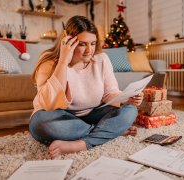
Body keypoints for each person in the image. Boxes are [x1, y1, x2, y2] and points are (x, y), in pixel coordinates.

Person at [29, 16, 143, 159]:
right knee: (41, 123)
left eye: (93, 43)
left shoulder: (101, 59)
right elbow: (47, 103)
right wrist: (63, 61)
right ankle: (110, 131)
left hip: (94, 113)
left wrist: (126, 98)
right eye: (82, 44)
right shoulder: (49, 62)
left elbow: (110, 92)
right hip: (61, 116)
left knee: (130, 110)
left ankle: (81, 144)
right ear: (68, 42)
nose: (89, 50)